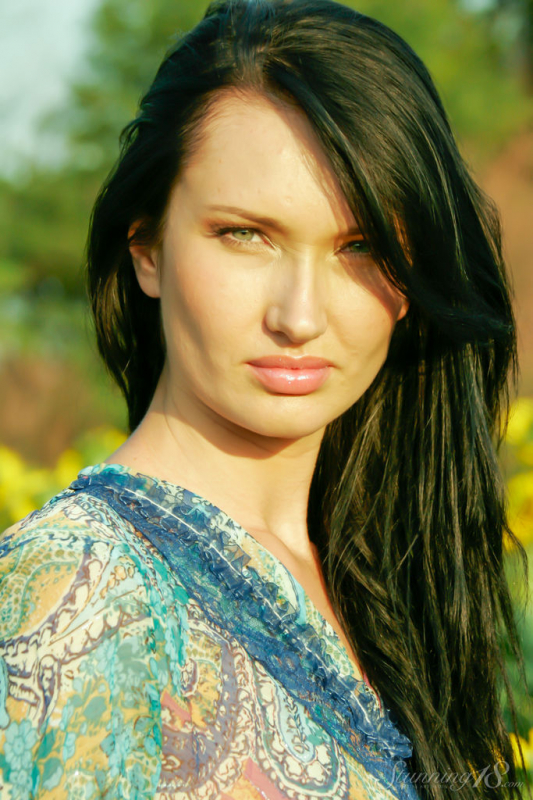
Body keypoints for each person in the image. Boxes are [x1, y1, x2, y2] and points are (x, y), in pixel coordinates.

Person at [0, 0, 530, 797]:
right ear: (145, 246)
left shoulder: (395, 578)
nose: (300, 316)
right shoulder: (69, 598)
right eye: (245, 234)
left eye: (362, 247)